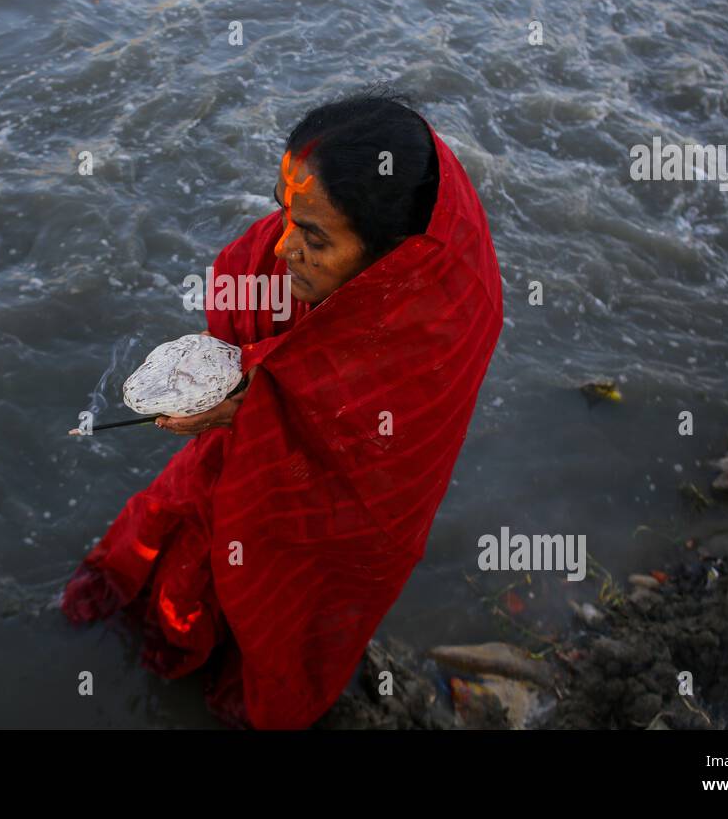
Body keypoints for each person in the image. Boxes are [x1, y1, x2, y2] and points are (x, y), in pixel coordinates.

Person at [62, 87, 504, 729]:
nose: (279, 247)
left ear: (388, 259)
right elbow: (258, 292)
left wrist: (259, 400)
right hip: (275, 395)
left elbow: (375, 446)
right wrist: (237, 386)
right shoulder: (352, 195)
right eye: (283, 213)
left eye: (314, 239)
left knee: (298, 600)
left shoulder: (435, 323)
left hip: (346, 511)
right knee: (195, 522)